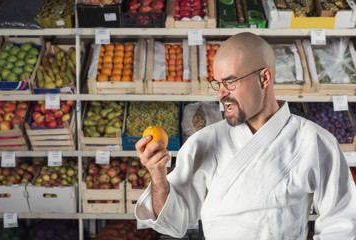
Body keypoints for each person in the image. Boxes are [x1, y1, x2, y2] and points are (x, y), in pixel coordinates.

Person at [134, 32, 356, 239]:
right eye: (218, 84)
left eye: (230, 82)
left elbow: (341, 225)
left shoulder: (315, 142)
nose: (221, 93)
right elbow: (173, 222)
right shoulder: (204, 142)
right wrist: (158, 176)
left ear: (264, 78)